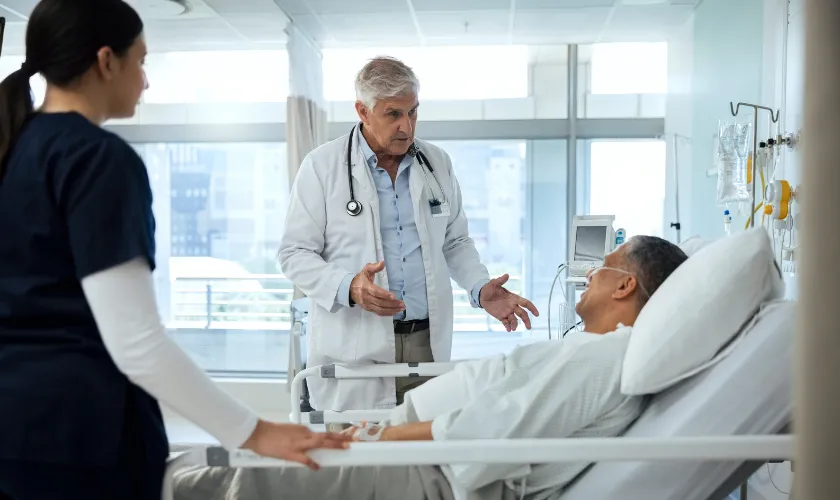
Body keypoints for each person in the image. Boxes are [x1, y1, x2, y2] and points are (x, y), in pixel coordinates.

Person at [0, 2, 346, 499]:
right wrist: (253, 431)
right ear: (106, 61)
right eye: (141, 62)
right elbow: (136, 343)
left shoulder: (12, 147)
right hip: (79, 438)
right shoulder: (97, 158)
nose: (145, 81)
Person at [173, 236, 689, 500]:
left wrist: (370, 439)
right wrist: (376, 432)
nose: (592, 273)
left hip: (432, 473)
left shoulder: (601, 357)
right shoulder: (596, 349)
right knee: (249, 465)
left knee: (251, 484)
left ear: (624, 287)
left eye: (606, 265)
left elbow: (494, 428)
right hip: (418, 451)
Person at [278, 56, 539, 414]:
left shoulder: (437, 163)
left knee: (420, 449)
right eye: (393, 114)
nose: (407, 127)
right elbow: (294, 254)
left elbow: (455, 241)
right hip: (356, 341)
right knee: (358, 449)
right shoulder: (322, 167)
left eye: (413, 112)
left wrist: (480, 287)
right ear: (362, 111)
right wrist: (349, 286)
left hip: (424, 340)